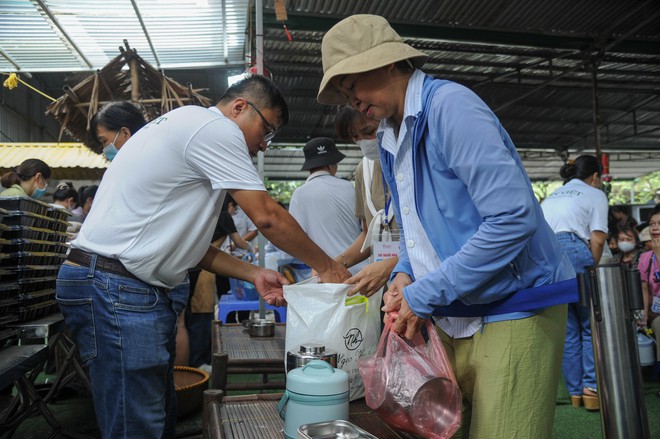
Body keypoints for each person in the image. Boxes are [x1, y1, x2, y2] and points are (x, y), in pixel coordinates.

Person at [318, 14, 575, 438]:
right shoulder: (389, 136)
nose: (354, 102)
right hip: (455, 308)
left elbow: (513, 219)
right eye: (345, 94)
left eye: (354, 85)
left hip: (515, 306)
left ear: (387, 62)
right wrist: (405, 275)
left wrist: (425, 293)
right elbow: (419, 226)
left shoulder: (450, 107)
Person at [56, 75, 350, 439]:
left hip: (119, 283)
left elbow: (192, 249)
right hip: (114, 284)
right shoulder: (214, 129)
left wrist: (253, 272)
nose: (263, 145)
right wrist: (328, 267)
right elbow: (267, 216)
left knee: (155, 414)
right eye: (266, 130)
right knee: (138, 424)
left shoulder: (189, 132)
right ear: (240, 107)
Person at [541, 155, 609, 411]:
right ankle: (591, 388)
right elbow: (599, 238)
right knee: (589, 324)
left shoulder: (554, 195)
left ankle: (574, 393)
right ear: (595, 176)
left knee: (568, 330)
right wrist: (591, 265)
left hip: (549, 256)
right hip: (575, 250)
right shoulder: (594, 194)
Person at [334, 106, 399, 297]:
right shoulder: (365, 169)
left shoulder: (413, 161)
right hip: (384, 288)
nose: (364, 142)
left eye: (369, 131)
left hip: (421, 281)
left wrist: (392, 265)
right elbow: (367, 233)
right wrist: (337, 264)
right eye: (355, 138)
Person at [288, 137, 365, 277]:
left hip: (326, 275)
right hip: (360, 270)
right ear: (331, 166)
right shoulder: (349, 187)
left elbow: (295, 238)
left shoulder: (300, 195)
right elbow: (365, 228)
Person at [637, 207, 660, 390]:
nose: (655, 228)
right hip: (656, 313)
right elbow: (644, 289)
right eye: (652, 224)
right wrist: (644, 317)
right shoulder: (646, 258)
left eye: (659, 224)